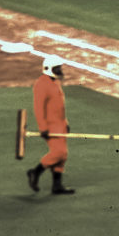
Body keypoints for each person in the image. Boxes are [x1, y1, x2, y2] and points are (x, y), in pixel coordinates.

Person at [26, 55, 75, 195]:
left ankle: (57, 185)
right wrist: (43, 128)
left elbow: (59, 106)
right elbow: (38, 108)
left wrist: (65, 122)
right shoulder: (42, 84)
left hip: (59, 124)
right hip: (50, 126)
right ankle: (35, 172)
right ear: (49, 69)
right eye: (57, 68)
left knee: (63, 156)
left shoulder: (55, 82)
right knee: (59, 153)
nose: (60, 70)